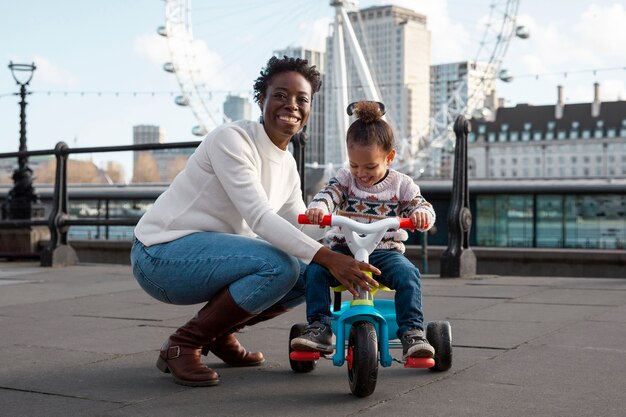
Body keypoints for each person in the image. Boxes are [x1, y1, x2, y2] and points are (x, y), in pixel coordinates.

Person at [130, 56, 381, 387]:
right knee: (281, 265)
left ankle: (219, 333)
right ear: (261, 99)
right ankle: (185, 342)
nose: (291, 105)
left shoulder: (287, 164)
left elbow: (300, 226)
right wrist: (330, 257)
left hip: (212, 258)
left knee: (311, 276)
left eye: (301, 99)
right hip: (160, 255)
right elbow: (260, 218)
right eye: (280, 95)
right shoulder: (231, 140)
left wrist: (355, 225)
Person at [290, 100, 436, 360]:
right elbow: (328, 194)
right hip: (344, 250)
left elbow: (419, 204)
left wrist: (421, 214)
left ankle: (412, 331)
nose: (361, 173)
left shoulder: (402, 184)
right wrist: (319, 209)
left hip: (384, 252)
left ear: (389, 157)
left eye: (370, 167)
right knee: (315, 271)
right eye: (355, 165)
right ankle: (320, 326)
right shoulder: (345, 179)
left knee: (408, 274)